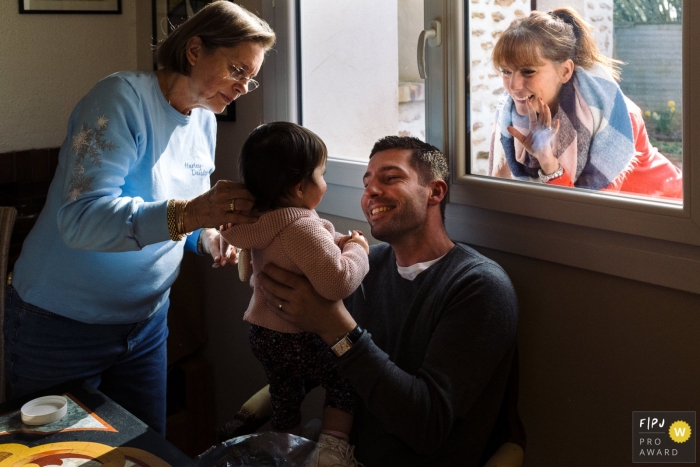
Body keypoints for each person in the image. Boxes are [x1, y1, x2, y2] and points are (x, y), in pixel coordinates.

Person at [5, 1, 275, 435]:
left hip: (146, 324)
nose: (244, 86)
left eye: (251, 77)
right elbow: (81, 219)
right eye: (237, 69)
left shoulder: (203, 119)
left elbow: (176, 215)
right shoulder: (118, 100)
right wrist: (193, 214)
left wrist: (205, 237)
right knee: (62, 458)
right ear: (194, 49)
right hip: (60, 325)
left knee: (144, 453)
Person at [257, 136, 520, 466]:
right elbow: (323, 364)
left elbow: (426, 428)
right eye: (366, 184)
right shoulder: (363, 268)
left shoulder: (479, 287)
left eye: (390, 178)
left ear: (435, 192)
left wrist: (334, 325)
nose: (371, 193)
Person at [220, 122, 369, 467]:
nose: (326, 182)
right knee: (345, 375)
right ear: (301, 187)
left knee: (284, 391)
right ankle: (332, 452)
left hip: (264, 334)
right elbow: (337, 281)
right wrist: (359, 250)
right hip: (298, 336)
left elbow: (272, 263)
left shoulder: (261, 224)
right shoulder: (301, 226)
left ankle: (288, 449)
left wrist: (334, 245)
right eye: (323, 174)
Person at [488, 7, 682, 199]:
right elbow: (499, 192)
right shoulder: (511, 116)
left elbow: (588, 213)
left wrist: (547, 161)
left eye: (528, 71)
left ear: (565, 71)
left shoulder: (614, 116)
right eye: (506, 71)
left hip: (671, 211)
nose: (513, 86)